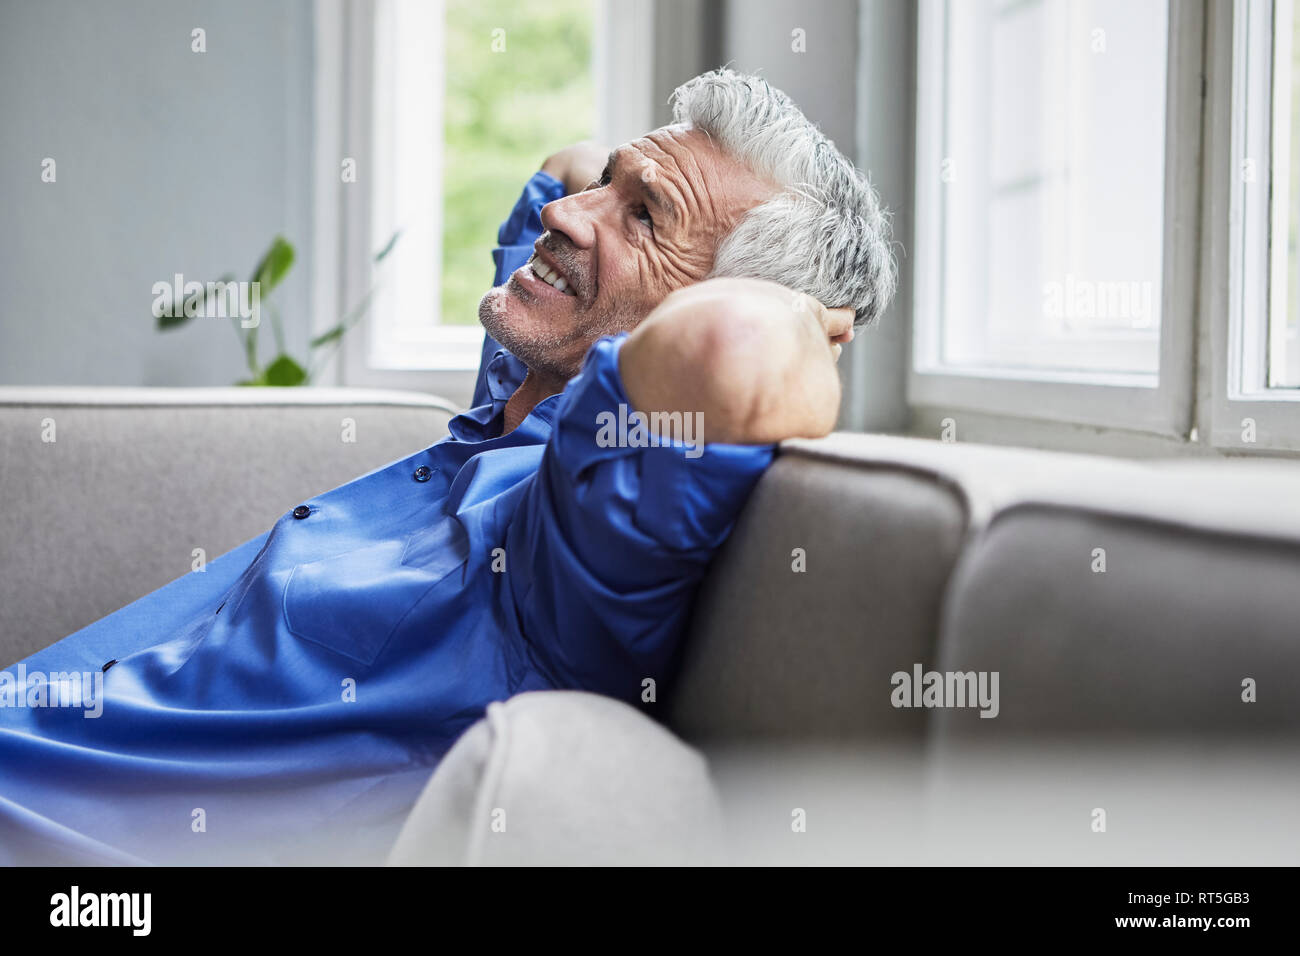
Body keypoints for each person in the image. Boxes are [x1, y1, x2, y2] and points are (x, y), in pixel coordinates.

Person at [0, 69, 894, 864]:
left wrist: (811, 302)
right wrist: (634, 183)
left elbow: (733, 347)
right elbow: (558, 171)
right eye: (612, 187)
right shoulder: (520, 390)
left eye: (645, 218)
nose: (564, 216)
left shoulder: (563, 534)